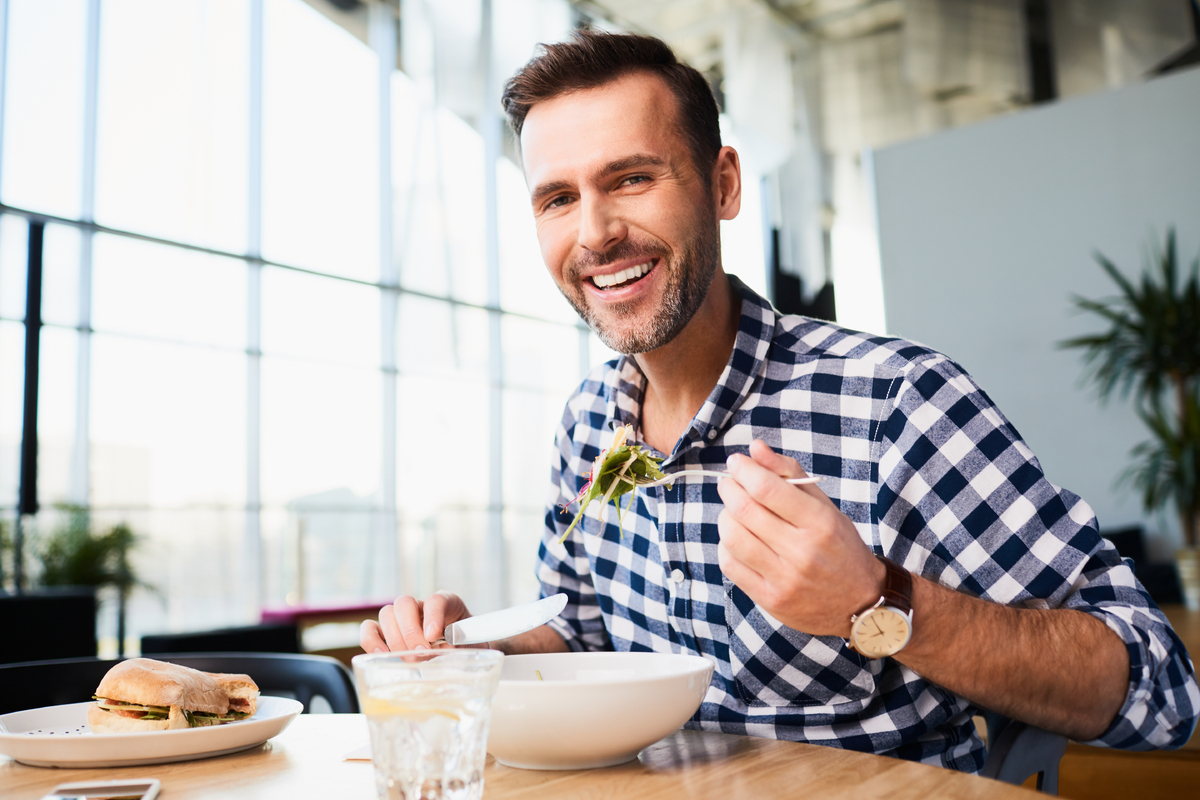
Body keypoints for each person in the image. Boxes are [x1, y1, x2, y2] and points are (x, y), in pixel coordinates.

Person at [361, 30, 1198, 770]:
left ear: (723, 185)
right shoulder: (587, 426)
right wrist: (473, 650)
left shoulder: (894, 405)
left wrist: (876, 601)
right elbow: (583, 636)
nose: (594, 233)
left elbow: (1158, 687)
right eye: (558, 199)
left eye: (632, 178)